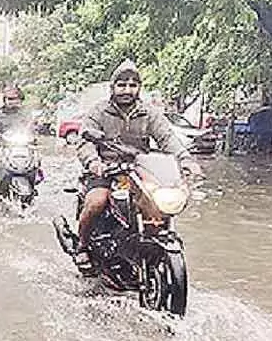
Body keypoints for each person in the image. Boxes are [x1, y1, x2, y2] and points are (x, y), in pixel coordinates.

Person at [73, 60, 203, 266]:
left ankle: (151, 245)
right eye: (121, 85)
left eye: (132, 85)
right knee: (97, 202)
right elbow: (85, 143)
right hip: (106, 170)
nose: (127, 90)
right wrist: (93, 162)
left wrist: (186, 160)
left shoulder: (148, 112)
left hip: (139, 169)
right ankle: (82, 245)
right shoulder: (99, 111)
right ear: (113, 87)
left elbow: (167, 138)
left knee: (157, 204)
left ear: (139, 88)